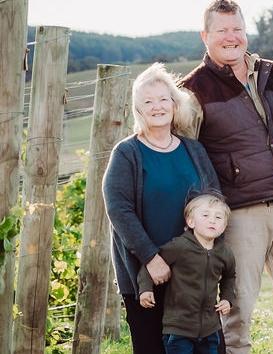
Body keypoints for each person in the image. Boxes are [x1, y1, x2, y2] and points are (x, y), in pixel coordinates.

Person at [179, 1, 273, 353]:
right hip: (240, 214)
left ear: (246, 32)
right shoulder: (193, 90)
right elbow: (186, 156)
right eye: (222, 30)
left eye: (237, 29)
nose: (232, 37)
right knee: (237, 312)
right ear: (205, 36)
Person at [103, 63, 221, 353]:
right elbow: (119, 209)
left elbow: (215, 199)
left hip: (193, 277)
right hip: (147, 277)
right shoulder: (127, 153)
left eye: (163, 99)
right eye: (148, 101)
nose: (157, 107)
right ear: (138, 110)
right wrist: (151, 258)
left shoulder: (194, 150)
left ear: (174, 104)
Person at [138, 193, 235, 354]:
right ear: (191, 221)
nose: (212, 220)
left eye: (219, 217)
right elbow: (152, 265)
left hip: (210, 329)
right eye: (205, 215)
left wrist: (227, 298)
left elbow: (230, 276)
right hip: (179, 328)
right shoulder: (179, 246)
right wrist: (145, 289)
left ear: (224, 226)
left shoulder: (224, 252)